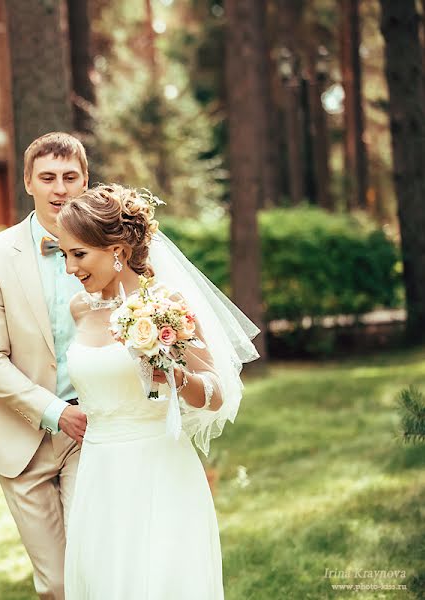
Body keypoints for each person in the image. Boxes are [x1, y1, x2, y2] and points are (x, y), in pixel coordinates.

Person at [56, 183, 260, 599]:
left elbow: (217, 393)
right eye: (65, 255)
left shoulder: (165, 303)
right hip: (99, 469)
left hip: (156, 466)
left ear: (119, 251)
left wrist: (175, 377)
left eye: (79, 254)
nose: (70, 268)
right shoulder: (79, 308)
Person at [0, 132, 89, 599]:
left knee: (93, 562)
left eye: (69, 177)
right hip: (24, 440)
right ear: (27, 182)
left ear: (85, 181)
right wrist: (55, 412)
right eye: (48, 178)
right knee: (56, 583)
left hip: (93, 432)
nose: (59, 189)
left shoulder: (109, 248)